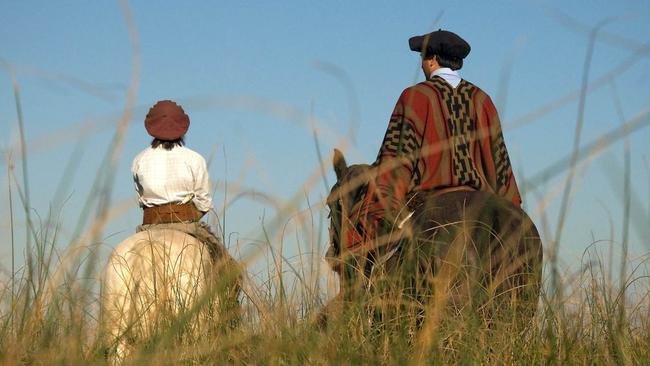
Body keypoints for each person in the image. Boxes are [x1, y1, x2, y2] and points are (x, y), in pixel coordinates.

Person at [348, 29, 522, 253]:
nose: (421, 65)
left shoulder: (414, 96)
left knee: (369, 248)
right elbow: (500, 164)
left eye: (422, 58)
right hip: (484, 203)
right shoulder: (483, 100)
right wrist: (510, 208)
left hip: (427, 201)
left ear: (430, 60)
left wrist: (382, 205)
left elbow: (395, 158)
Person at [131, 100, 232, 266]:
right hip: (186, 225)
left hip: (149, 226)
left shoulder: (138, 160)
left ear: (151, 128)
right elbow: (204, 203)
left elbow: (140, 199)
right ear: (182, 128)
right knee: (227, 269)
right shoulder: (194, 159)